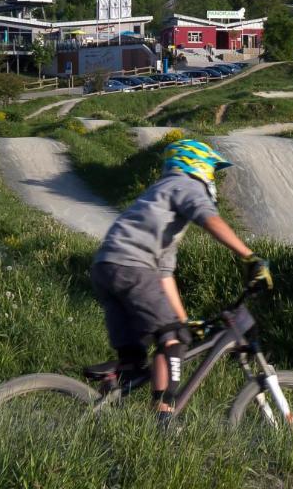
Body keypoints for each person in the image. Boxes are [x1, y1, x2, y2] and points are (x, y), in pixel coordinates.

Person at [90, 139, 272, 426]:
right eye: (212, 170)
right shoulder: (185, 185)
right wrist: (250, 257)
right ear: (197, 165)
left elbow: (163, 275)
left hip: (106, 268)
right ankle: (163, 419)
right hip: (133, 267)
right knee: (171, 341)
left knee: (136, 358)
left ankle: (111, 389)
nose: (212, 177)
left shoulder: (158, 202)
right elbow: (209, 219)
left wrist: (183, 320)